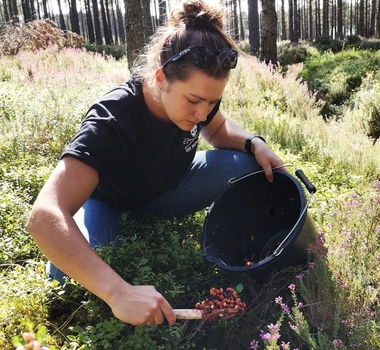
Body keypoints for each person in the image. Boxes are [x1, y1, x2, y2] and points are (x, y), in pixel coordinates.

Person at [26, 0, 283, 327]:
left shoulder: (198, 100)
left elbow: (217, 129)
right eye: (193, 101)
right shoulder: (112, 120)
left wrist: (253, 143)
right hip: (110, 203)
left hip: (169, 189)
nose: (202, 114)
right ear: (161, 78)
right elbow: (43, 216)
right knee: (67, 277)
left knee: (245, 164)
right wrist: (117, 291)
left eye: (212, 101)